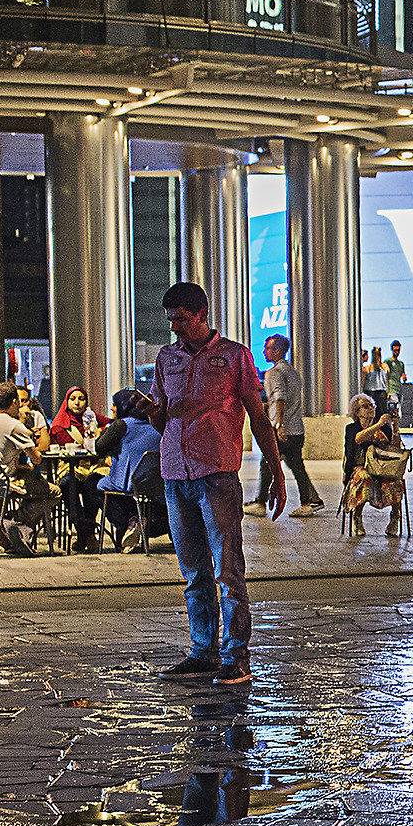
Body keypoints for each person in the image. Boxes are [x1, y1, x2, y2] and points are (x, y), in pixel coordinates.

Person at [137, 281, 286, 687]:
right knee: (193, 573)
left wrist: (275, 472)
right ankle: (202, 650)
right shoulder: (166, 359)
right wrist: (150, 411)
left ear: (202, 315)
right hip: (174, 472)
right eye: (171, 322)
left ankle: (235, 655)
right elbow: (162, 418)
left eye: (182, 321)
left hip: (216, 473)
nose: (176, 330)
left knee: (227, 570)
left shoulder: (234, 356)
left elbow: (258, 417)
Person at [0, 379, 59, 554]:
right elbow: (36, 459)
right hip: (4, 482)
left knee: (29, 485)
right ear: (14, 402)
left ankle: (10, 537)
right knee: (55, 492)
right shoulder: (13, 425)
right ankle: (19, 523)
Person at [246, 334, 325, 517]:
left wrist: (279, 425)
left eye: (267, 348)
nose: (264, 351)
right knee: (296, 465)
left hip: (282, 429)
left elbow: (280, 398)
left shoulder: (274, 373)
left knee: (267, 463)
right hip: (296, 428)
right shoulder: (292, 372)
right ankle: (310, 501)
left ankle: (261, 503)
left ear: (278, 351)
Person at [95, 388, 166, 551]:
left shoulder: (122, 425)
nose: (112, 409)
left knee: (95, 485)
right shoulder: (156, 424)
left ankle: (128, 523)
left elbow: (99, 447)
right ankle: (136, 522)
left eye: (114, 405)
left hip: (129, 483)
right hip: (156, 484)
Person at [44, 384, 106, 551]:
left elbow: (110, 427)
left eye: (81, 399)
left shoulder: (93, 418)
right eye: (73, 399)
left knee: (91, 485)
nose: (77, 403)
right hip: (70, 469)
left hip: (93, 468)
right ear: (66, 402)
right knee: (67, 485)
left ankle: (84, 535)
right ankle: (86, 533)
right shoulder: (59, 424)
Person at [341, 394, 407, 538]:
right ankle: (357, 517)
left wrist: (395, 426)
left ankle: (395, 517)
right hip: (360, 467)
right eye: (366, 406)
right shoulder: (352, 428)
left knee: (395, 481)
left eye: (372, 406)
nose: (371, 409)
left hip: (382, 468)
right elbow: (358, 439)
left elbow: (395, 447)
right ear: (357, 412)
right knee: (364, 478)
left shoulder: (384, 429)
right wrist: (378, 425)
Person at [384, 341, 408, 418]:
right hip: (391, 388)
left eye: (398, 350)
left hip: (399, 389)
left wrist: (404, 377)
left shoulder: (401, 364)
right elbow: (385, 375)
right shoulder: (388, 362)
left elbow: (403, 375)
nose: (397, 352)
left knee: (398, 406)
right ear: (392, 350)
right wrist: (386, 390)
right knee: (394, 408)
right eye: (395, 350)